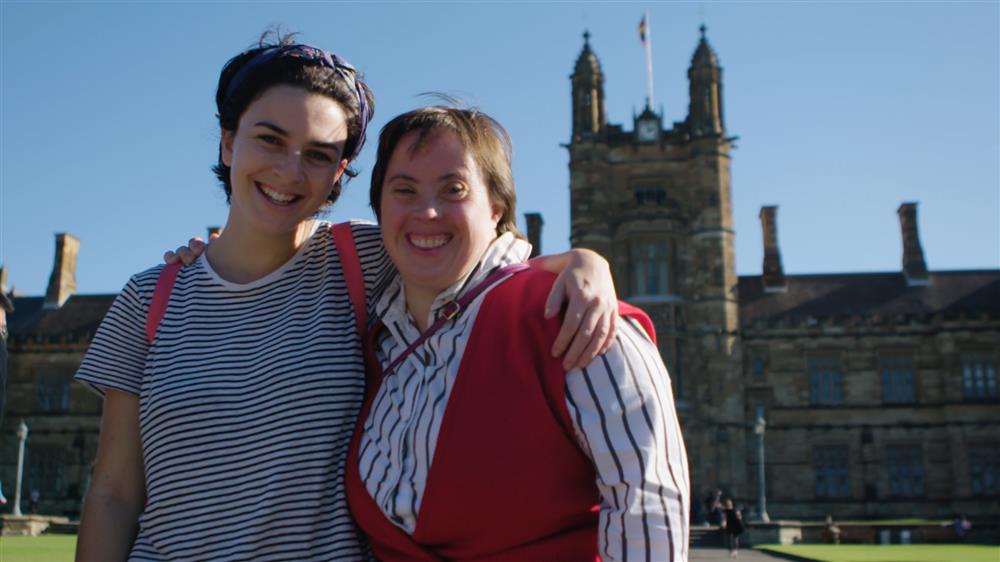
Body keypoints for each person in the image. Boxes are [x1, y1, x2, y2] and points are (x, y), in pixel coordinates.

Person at [75, 33, 618, 562]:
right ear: (227, 141)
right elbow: (114, 493)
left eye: (318, 154)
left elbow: (481, 256)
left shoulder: (364, 257)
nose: (290, 170)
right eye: (269, 139)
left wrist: (584, 262)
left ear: (338, 175)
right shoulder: (150, 296)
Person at [344, 106, 690, 561]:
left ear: (497, 207)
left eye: (454, 189)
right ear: (380, 209)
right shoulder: (377, 342)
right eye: (403, 190)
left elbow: (647, 513)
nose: (426, 211)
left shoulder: (578, 321)